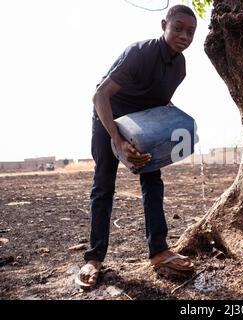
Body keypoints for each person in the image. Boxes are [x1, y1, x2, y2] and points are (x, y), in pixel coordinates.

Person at [76, 5, 197, 288]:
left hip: (140, 125)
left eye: (190, 31)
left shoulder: (180, 67)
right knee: (103, 185)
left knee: (153, 181)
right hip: (108, 117)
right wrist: (117, 140)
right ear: (164, 24)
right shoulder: (139, 53)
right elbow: (99, 95)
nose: (184, 35)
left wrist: (174, 131)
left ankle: (158, 251)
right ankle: (93, 259)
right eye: (178, 27)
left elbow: (160, 105)